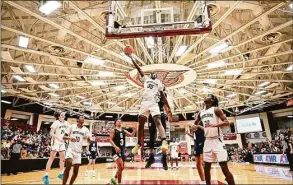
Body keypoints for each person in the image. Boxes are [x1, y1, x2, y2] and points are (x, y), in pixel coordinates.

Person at [125, 72, 171, 170]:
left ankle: (164, 158)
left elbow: (165, 103)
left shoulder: (162, 93)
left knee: (163, 137)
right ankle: (151, 158)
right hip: (151, 114)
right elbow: (142, 84)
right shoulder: (150, 89)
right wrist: (132, 79)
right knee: (151, 136)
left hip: (160, 114)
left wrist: (169, 112)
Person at [192, 94, 235, 185]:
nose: (205, 96)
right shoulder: (201, 112)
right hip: (207, 141)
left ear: (212, 100)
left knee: (224, 167)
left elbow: (226, 122)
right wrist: (194, 126)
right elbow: (195, 123)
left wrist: (214, 125)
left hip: (217, 140)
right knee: (206, 168)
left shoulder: (216, 109)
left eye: (208, 96)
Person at [62, 115, 91, 185]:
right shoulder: (72, 126)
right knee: (68, 164)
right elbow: (64, 137)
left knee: (76, 172)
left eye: (84, 117)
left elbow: (89, 142)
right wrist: (70, 138)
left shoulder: (86, 129)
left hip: (78, 152)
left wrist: (87, 137)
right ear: (77, 119)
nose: (83, 118)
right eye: (81, 117)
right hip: (70, 149)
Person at [43, 112, 69, 185]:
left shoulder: (66, 123)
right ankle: (46, 175)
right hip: (56, 141)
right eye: (61, 115)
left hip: (62, 142)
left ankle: (61, 173)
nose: (63, 115)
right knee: (52, 157)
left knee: (63, 158)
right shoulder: (56, 122)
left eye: (64, 115)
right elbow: (51, 133)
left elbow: (69, 131)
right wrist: (58, 138)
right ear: (59, 117)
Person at [109, 119, 136, 185]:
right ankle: (119, 183)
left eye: (120, 121)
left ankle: (114, 178)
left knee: (122, 168)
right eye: (118, 121)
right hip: (115, 151)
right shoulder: (113, 130)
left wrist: (134, 130)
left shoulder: (124, 130)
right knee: (120, 166)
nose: (120, 122)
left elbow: (132, 135)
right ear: (115, 123)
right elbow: (110, 140)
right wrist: (115, 147)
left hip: (122, 151)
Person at [186, 113, 206, 184]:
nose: (195, 116)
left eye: (196, 114)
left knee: (203, 162)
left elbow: (206, 130)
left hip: (203, 143)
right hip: (196, 144)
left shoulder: (202, 122)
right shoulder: (194, 124)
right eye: (194, 115)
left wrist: (199, 126)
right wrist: (188, 134)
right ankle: (203, 181)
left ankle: (207, 179)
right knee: (197, 164)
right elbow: (194, 136)